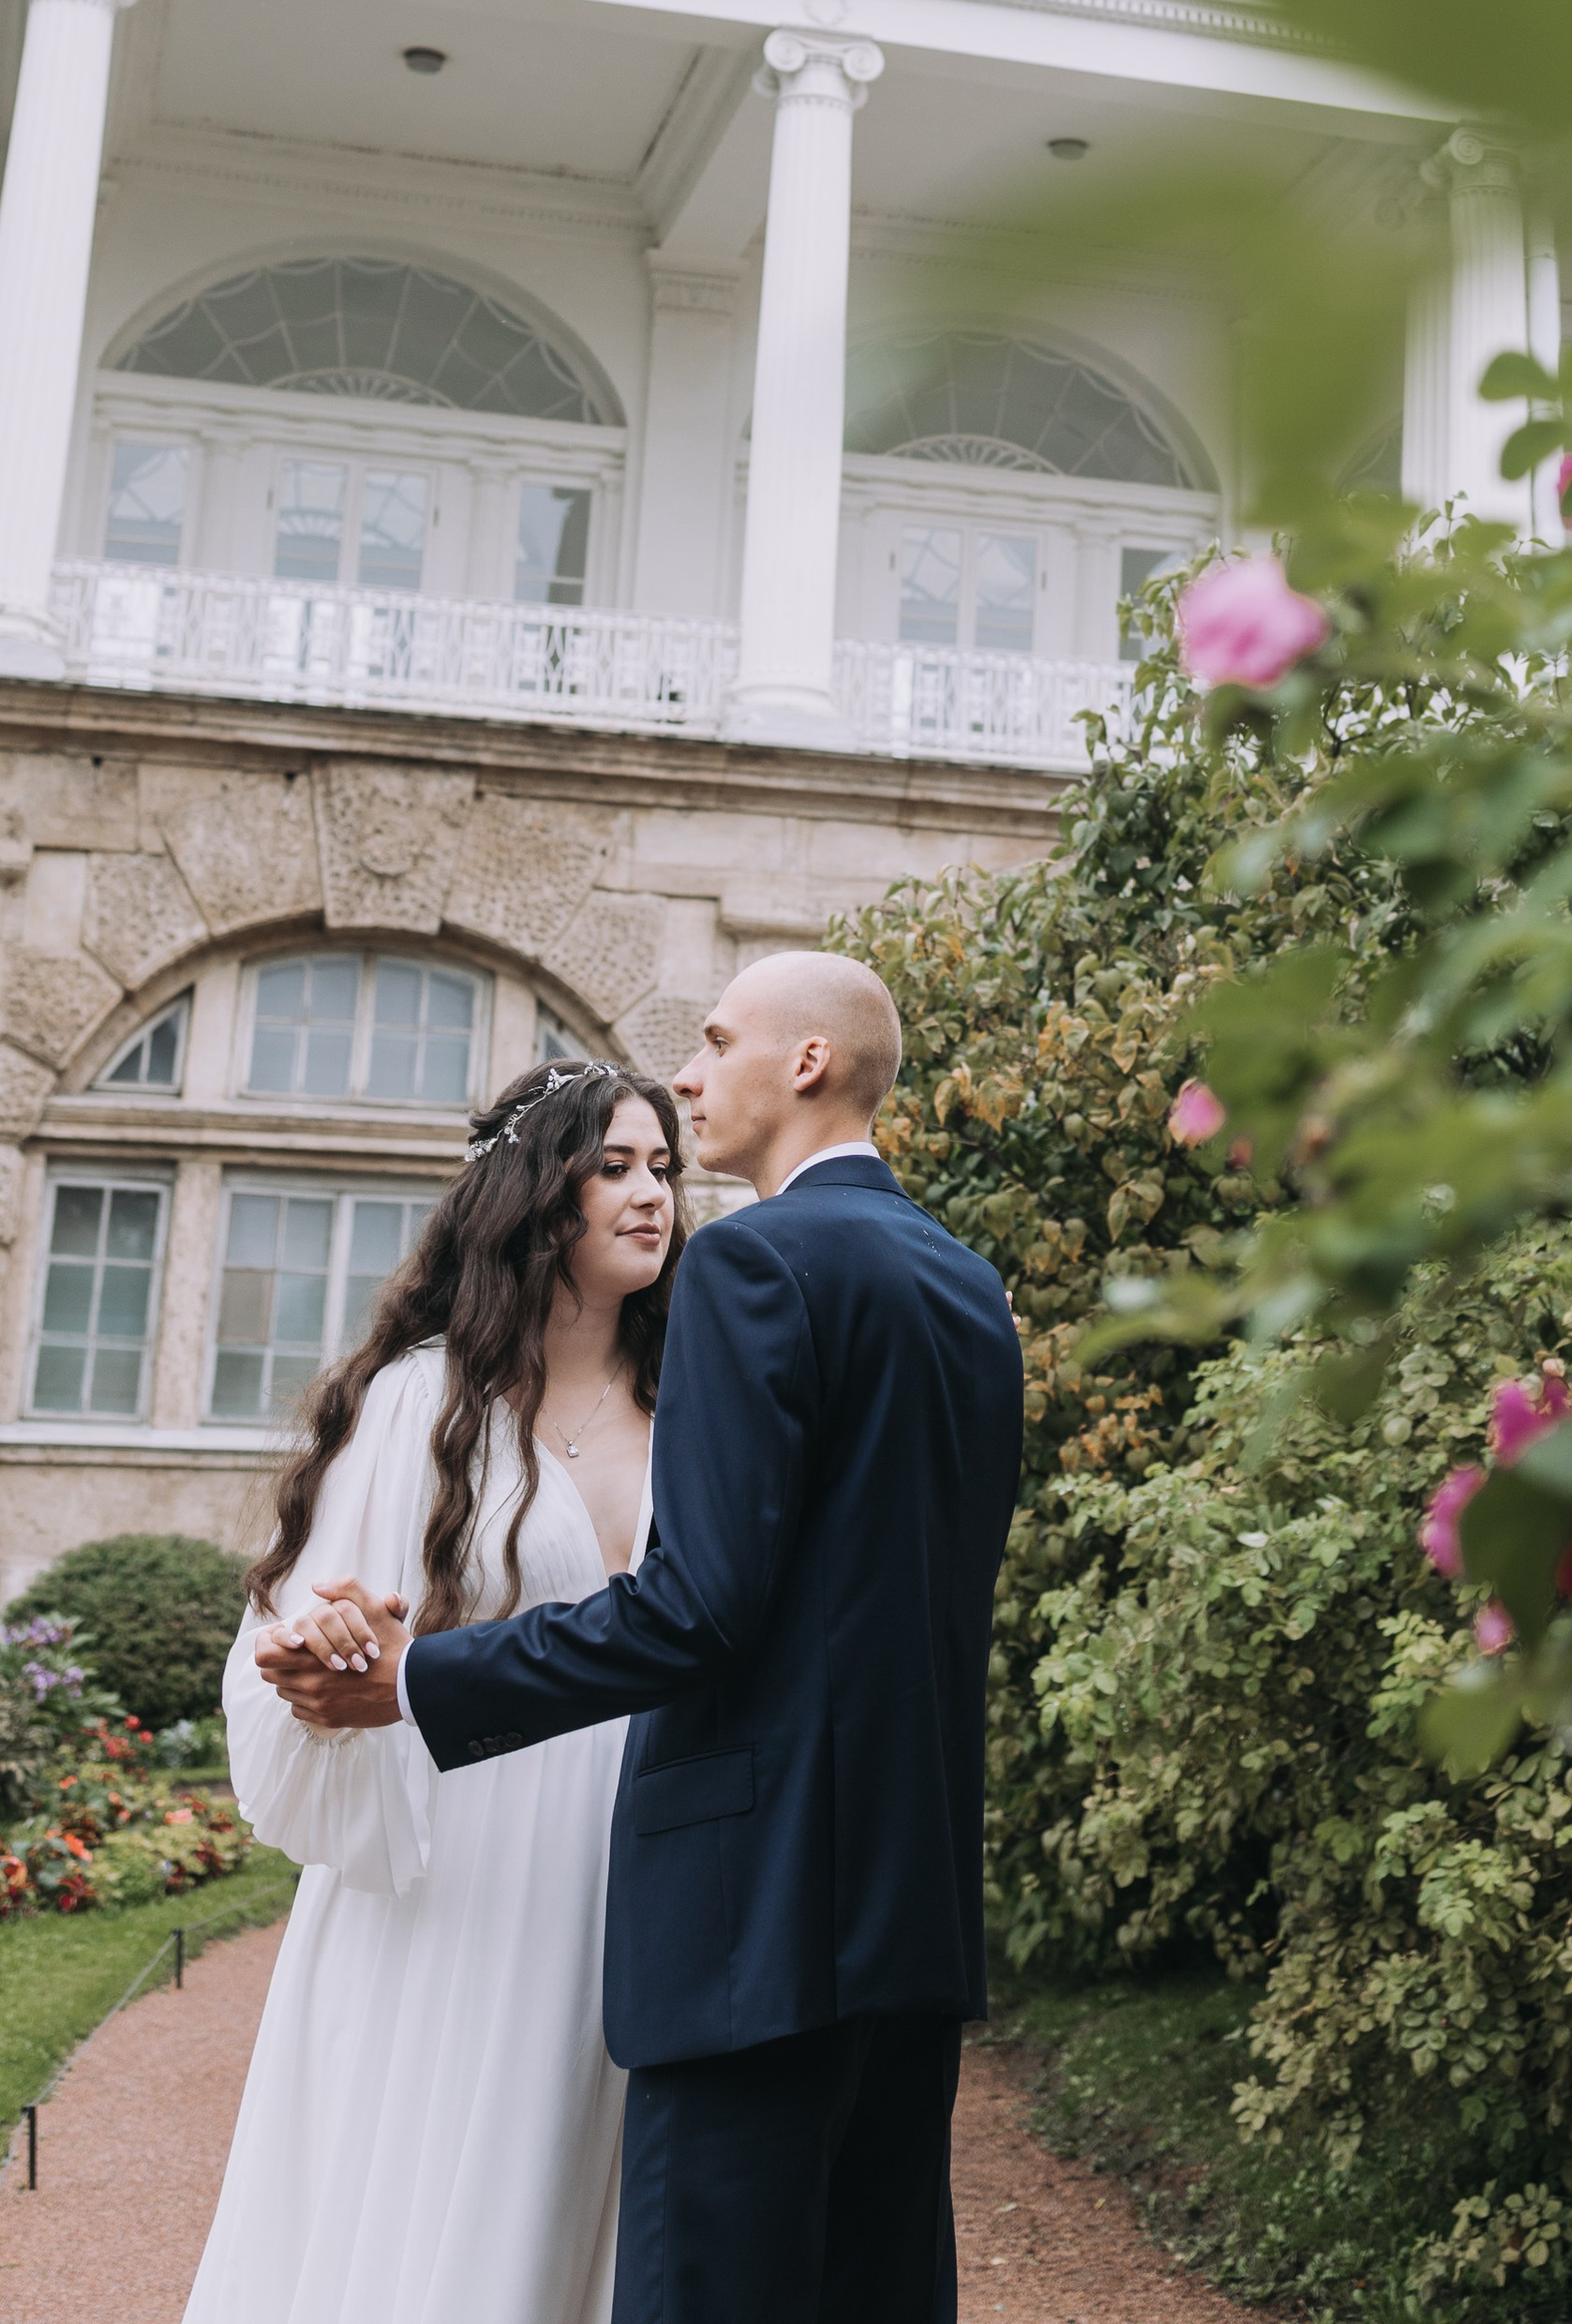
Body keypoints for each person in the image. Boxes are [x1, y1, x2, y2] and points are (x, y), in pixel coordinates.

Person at [261, 947, 1025, 2324]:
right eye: (615, 1162)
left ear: (803, 1065)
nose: (688, 1075)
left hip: (739, 1908)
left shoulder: (756, 1267)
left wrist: (420, 1682)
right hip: (903, 1910)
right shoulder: (969, 1288)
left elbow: (702, 1606)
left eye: (718, 1042)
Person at [190, 1056, 684, 2324]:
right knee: (444, 2184)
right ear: (535, 1193)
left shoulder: (700, 1403)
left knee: (613, 2189)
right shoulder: (419, 1405)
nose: (651, 1196)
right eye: (615, 1167)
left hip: (648, 1844)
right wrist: (337, 1642)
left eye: (665, 1169)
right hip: (461, 1860)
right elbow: (309, 1631)